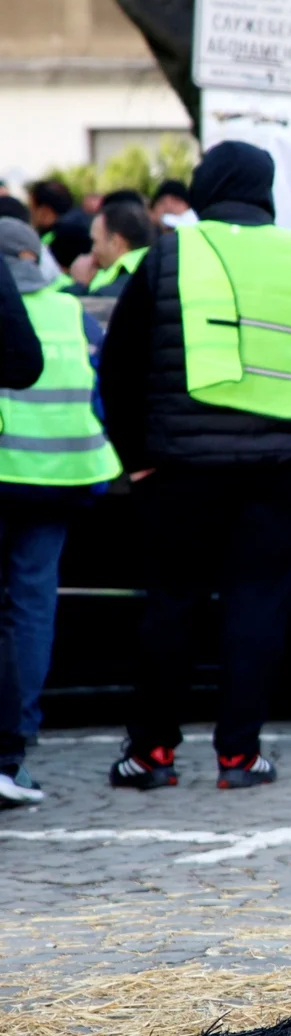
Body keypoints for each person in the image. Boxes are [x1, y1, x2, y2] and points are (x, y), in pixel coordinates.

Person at [98, 141, 291, 790]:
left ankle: (152, 753)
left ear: (205, 186)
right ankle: (239, 757)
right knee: (256, 607)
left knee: (171, 607)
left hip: (179, 472)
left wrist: (136, 460)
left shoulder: (165, 256)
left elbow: (119, 368)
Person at [0, 221, 54, 807]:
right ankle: (9, 752)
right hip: (51, 479)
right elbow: (22, 360)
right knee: (24, 604)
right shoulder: (67, 308)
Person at [85, 198, 152, 298]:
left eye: (95, 242)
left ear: (115, 242)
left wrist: (81, 286)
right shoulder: (156, 266)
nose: (92, 250)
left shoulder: (115, 289)